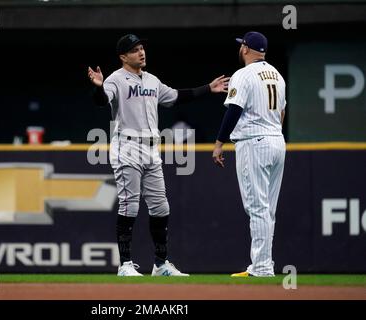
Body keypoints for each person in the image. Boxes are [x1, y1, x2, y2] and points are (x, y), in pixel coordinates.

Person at [88, 34, 229, 276]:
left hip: (152, 149)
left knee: (161, 207)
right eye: (134, 50)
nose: (141, 52)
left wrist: (209, 88)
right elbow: (102, 102)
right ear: (123, 56)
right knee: (129, 205)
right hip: (127, 147)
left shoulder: (152, 80)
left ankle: (161, 264)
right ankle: (124, 265)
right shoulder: (115, 79)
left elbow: (176, 97)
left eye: (142, 48)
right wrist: (99, 88)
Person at [212, 31, 286, 277]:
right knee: (268, 208)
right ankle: (263, 264)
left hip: (254, 142)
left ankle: (262, 267)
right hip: (277, 140)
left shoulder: (243, 75)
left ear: (245, 48)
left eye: (240, 45)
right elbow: (282, 113)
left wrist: (219, 142)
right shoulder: (277, 75)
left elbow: (234, 110)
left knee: (257, 207)